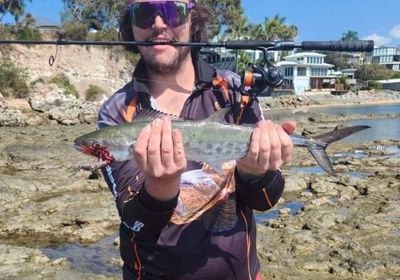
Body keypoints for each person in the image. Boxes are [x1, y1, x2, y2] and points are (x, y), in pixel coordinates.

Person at [97, 0, 296, 279]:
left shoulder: (233, 92)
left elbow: (264, 200)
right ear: (130, 26)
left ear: (193, 20)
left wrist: (254, 171)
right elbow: (136, 221)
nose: (158, 24)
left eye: (171, 11)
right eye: (143, 13)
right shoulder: (117, 111)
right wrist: (161, 184)